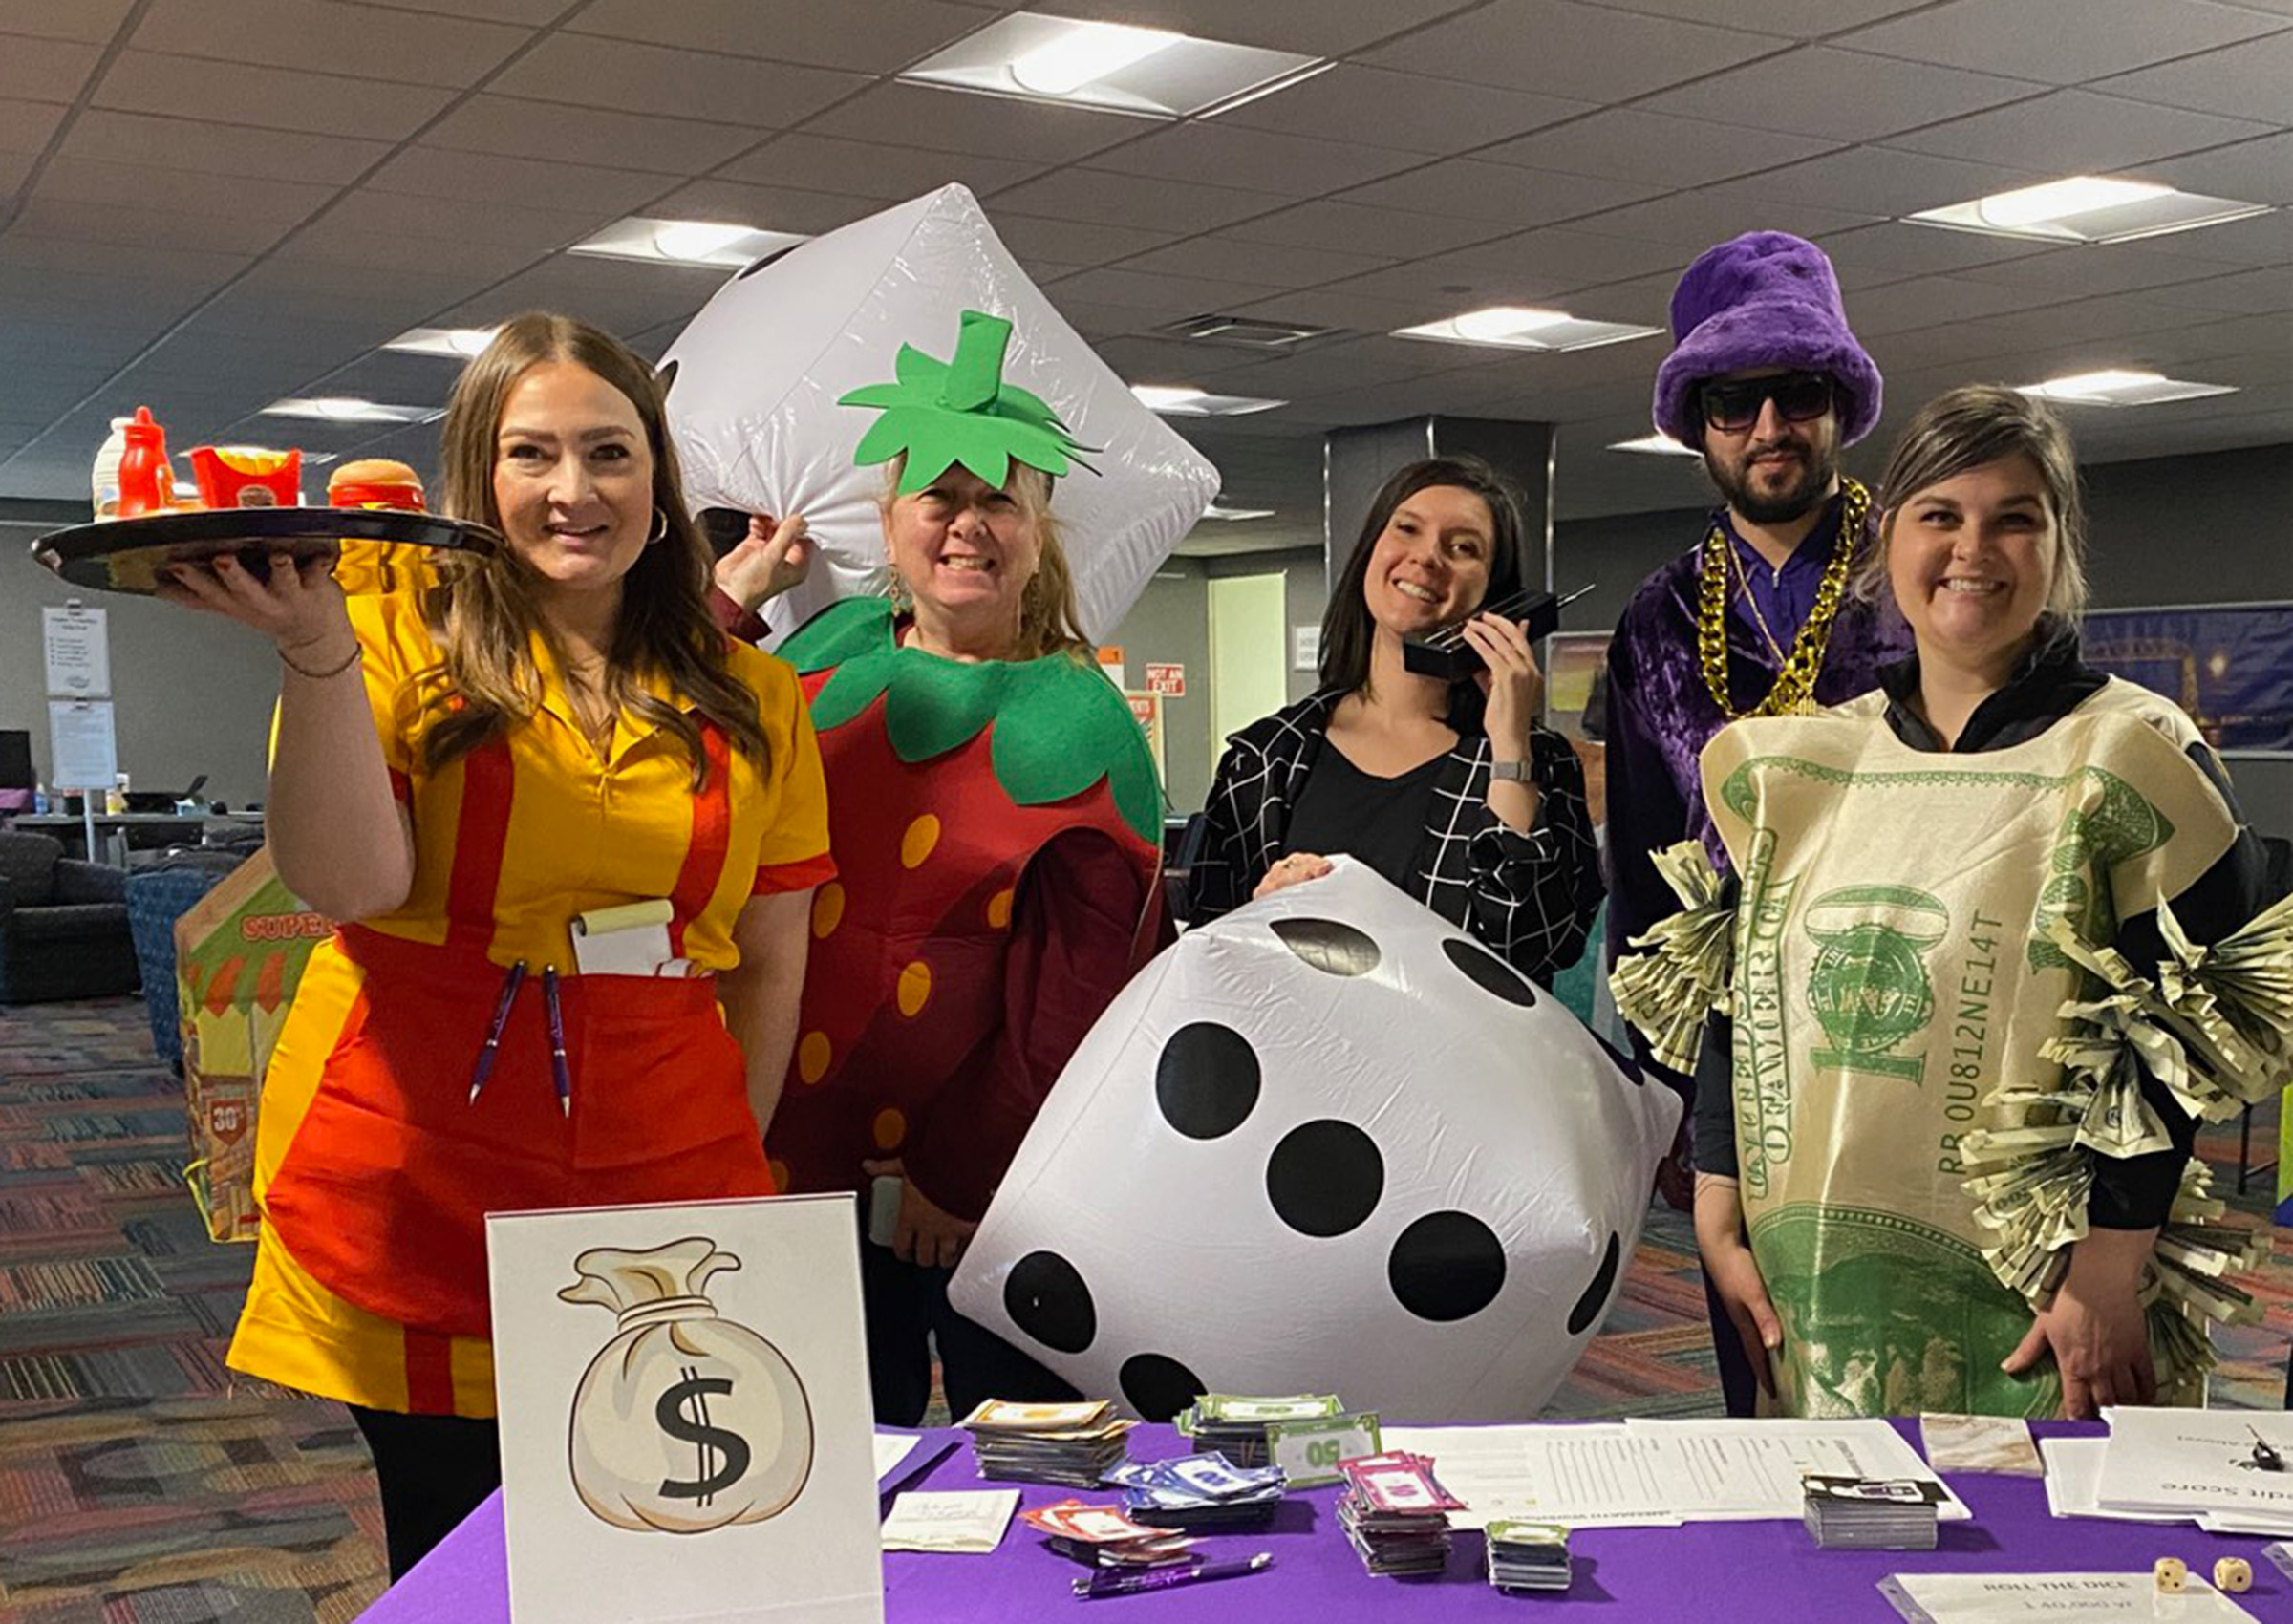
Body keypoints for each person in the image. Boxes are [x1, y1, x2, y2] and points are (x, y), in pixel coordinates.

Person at [161, 312, 831, 1579]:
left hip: (666, 1159)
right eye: (533, 455)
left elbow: (771, 960)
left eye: (609, 453)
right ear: (482, 474)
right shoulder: (394, 637)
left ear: (659, 476)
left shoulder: (757, 697)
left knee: (677, 1549)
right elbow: (352, 882)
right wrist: (315, 657)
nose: (573, 491)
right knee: (461, 1548)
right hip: (423, 1151)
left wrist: (733, 1173)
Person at [1616, 384, 2286, 1421]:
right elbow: (1731, 997)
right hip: (1820, 1284)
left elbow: (2186, 1042)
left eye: (2015, 517)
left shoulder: (2133, 756)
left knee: (2046, 1570)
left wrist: (2111, 1267)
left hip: (2050, 1294)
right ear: (1892, 539)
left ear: (2059, 546)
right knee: (1835, 1554)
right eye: (1942, 515)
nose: (1975, 548)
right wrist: (1717, 1203)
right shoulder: (1806, 763)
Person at [709, 310, 1164, 1425]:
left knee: (1003, 1459)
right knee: (810, 1440)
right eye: (940, 498)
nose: (968, 525)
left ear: (1040, 527)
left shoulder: (1082, 723)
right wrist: (732, 599)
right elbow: (681, 743)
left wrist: (956, 1175)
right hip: (780, 1141)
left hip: (963, 1182)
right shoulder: (828, 648)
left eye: (998, 499)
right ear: (890, 519)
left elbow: (1074, 1004)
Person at [1602, 230, 1911, 1413]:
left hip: (1918, 1004)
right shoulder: (1657, 619)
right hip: (1737, 1038)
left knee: (1920, 1323)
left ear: (1840, 405)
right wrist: (1666, 1075)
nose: (1772, 423)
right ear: (1698, 419)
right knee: (1760, 1337)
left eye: (1801, 393)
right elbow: (1639, 857)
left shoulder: (1918, 571)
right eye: (1738, 400)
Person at [1183, 456, 1601, 985]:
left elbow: (1530, 946)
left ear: (1496, 594)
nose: (1427, 557)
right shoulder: (1264, 758)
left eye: (1463, 547)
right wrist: (1258, 914)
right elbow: (1206, 958)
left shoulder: (1536, 761)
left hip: (1455, 1063)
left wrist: (1511, 746)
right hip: (1299, 1057)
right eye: (1407, 529)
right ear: (1370, 553)